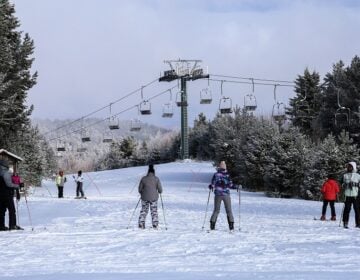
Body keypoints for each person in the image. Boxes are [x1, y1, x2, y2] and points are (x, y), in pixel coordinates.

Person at [209, 161, 238, 231]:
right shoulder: (227, 175)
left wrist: (211, 186)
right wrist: (237, 186)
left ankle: (212, 225)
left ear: (219, 167)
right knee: (229, 210)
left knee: (216, 210)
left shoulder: (215, 174)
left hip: (217, 195)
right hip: (226, 195)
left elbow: (212, 184)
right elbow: (230, 185)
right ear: (225, 167)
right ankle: (231, 226)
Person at [138, 164, 163, 229]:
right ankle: (155, 225)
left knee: (144, 210)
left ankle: (141, 224)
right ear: (154, 172)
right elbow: (160, 190)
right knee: (154, 211)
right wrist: (159, 192)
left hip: (144, 198)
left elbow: (139, 189)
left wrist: (142, 193)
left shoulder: (143, 179)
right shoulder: (156, 179)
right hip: (154, 198)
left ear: (148, 172)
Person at [0, 160, 22, 231]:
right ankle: (12, 225)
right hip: (7, 194)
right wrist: (17, 186)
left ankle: (1, 226)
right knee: (12, 210)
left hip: (0, 195)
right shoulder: (6, 173)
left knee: (1, 210)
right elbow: (9, 184)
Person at [341, 162, 360, 228]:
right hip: (347, 195)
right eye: (348, 166)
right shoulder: (345, 175)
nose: (349, 168)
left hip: (355, 195)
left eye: (350, 166)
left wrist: (355, 184)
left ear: (354, 167)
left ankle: (358, 223)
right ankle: (345, 223)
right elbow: (341, 184)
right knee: (347, 210)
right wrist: (345, 185)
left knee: (357, 210)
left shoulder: (358, 175)